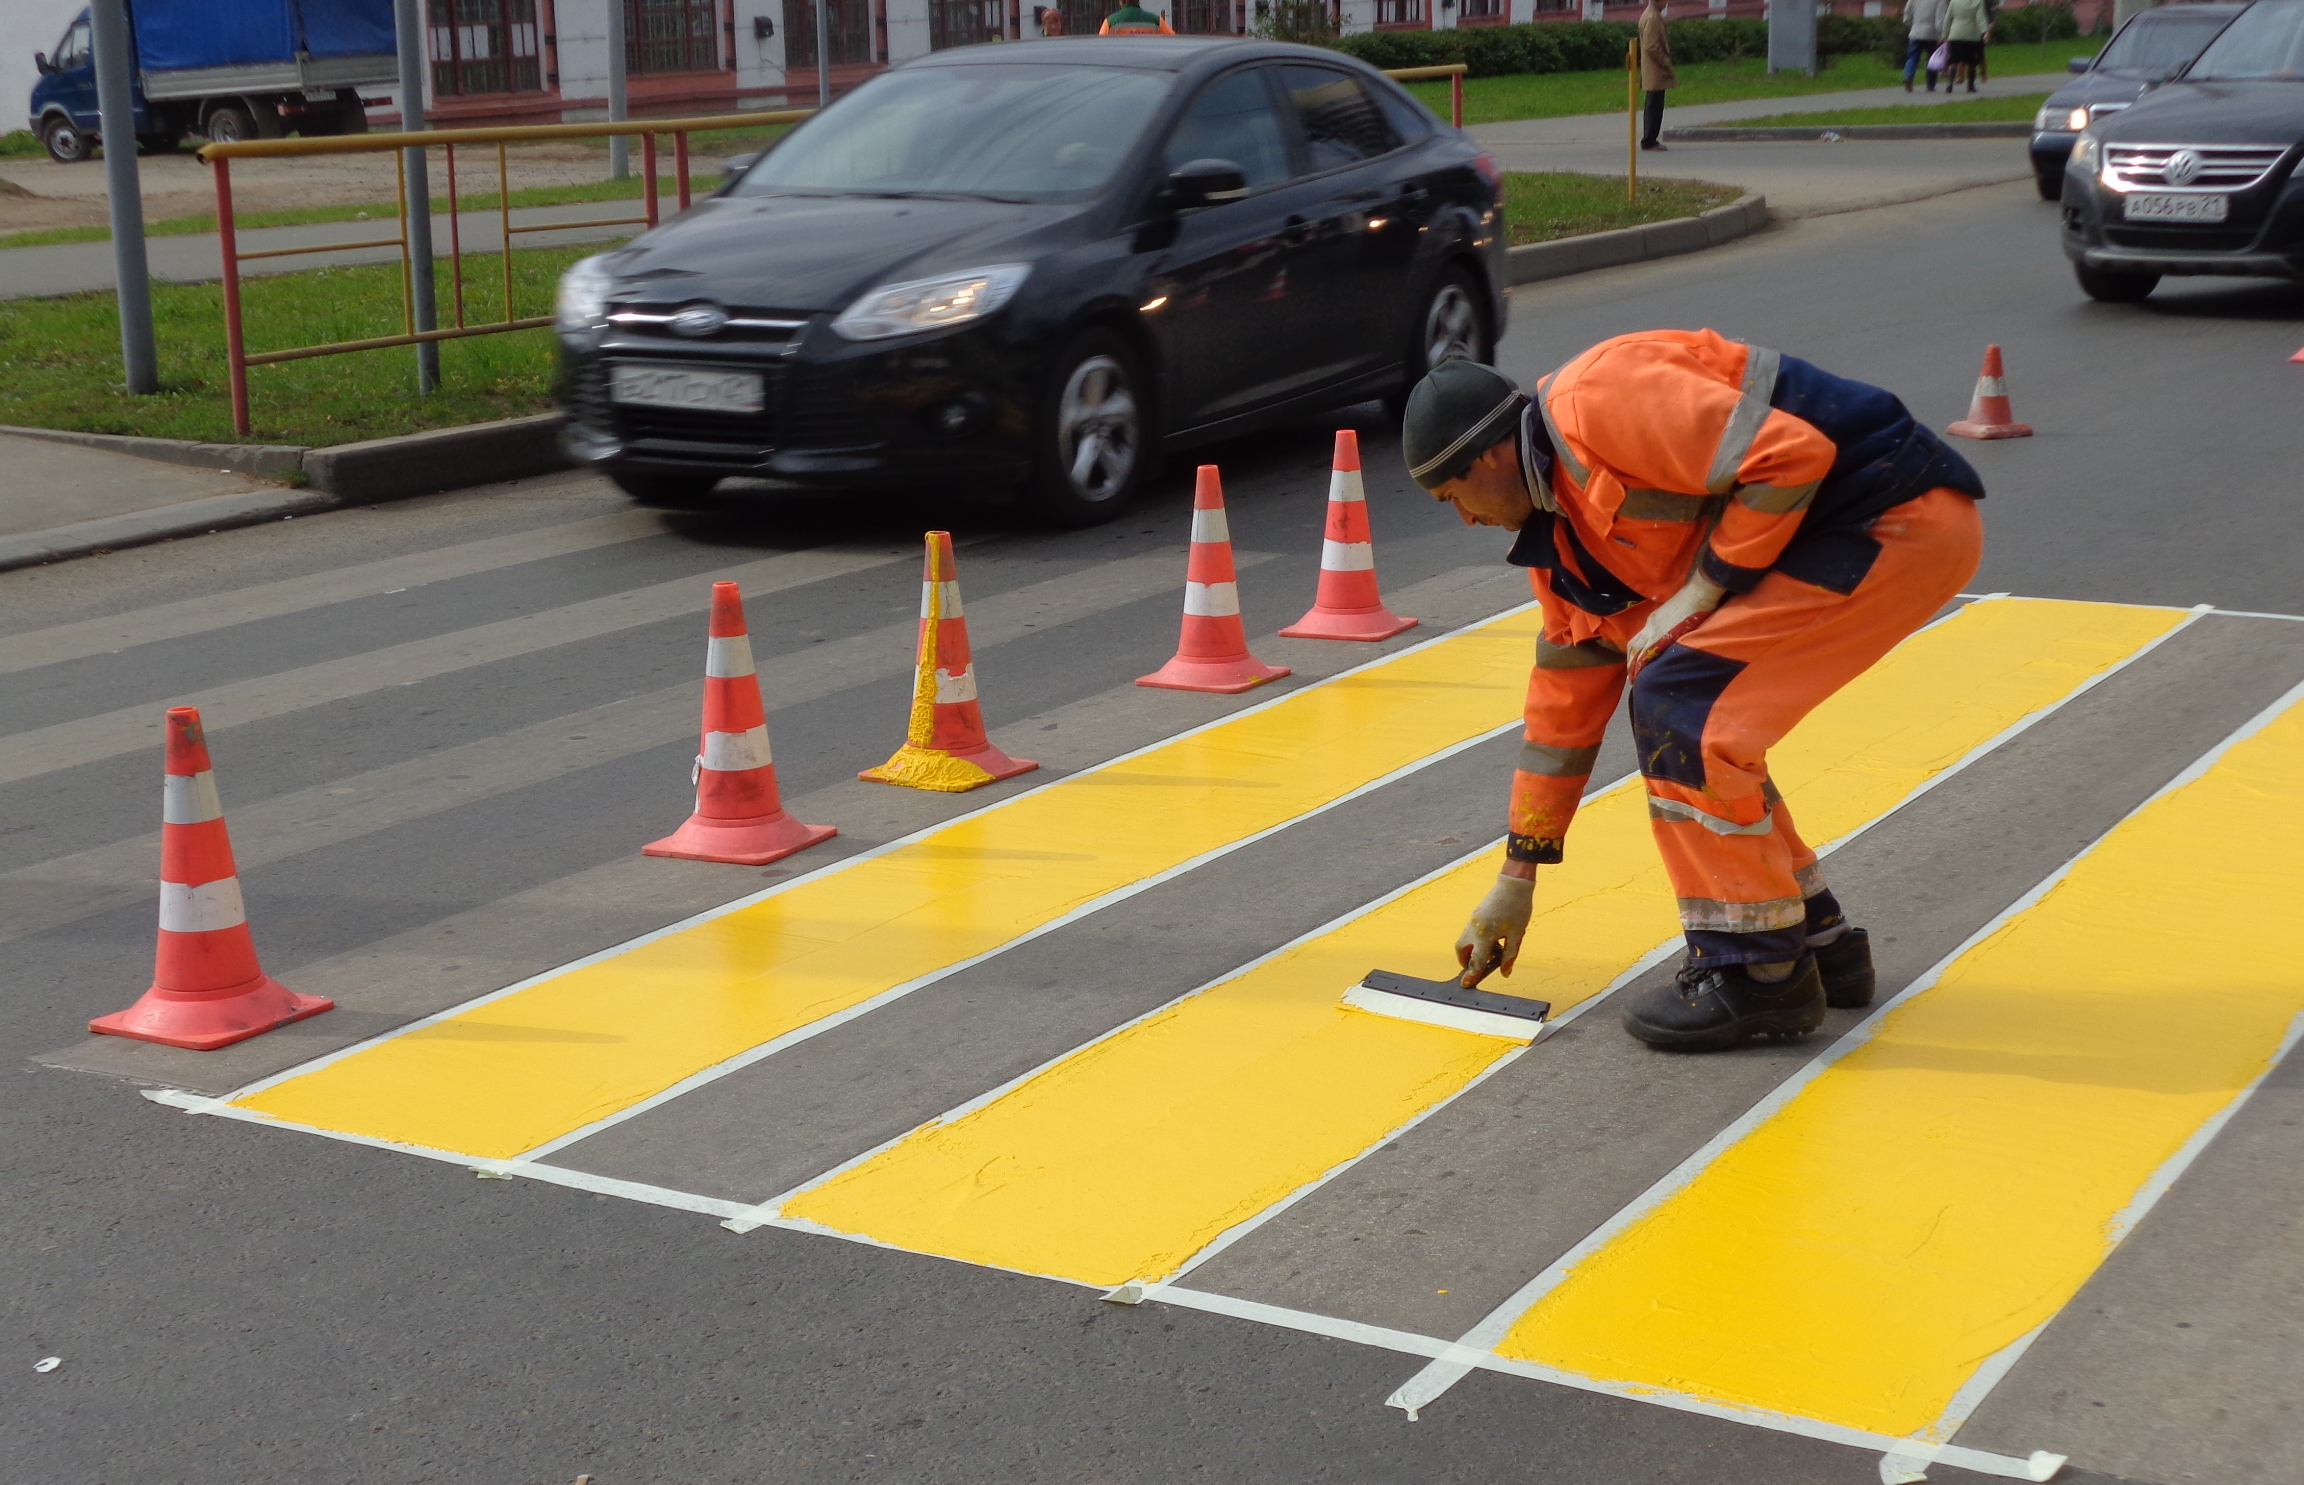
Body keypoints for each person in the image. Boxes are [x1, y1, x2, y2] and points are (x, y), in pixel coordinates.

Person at [1401, 335, 1985, 1052]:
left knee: (1685, 706)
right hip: (1852, 535)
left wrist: (1704, 588)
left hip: (1891, 517)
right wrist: (1518, 872)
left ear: (1487, 457)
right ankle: (1818, 940)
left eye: (1451, 495)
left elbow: (1790, 457)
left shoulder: (1596, 400)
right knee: (1705, 722)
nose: (1463, 519)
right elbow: (1561, 716)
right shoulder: (1562, 547)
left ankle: (1758, 974)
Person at [1639, 0, 1676, 152]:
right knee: (1654, 104)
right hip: (1655, 69)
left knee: (1653, 103)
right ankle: (1649, 140)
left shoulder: (1650, 15)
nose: (1666, 2)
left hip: (1652, 69)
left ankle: (1650, 138)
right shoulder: (1653, 18)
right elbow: (1651, 46)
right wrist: (1665, 61)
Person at [1944, 0, 1990, 92]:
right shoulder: (1977, 2)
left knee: (1954, 60)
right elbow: (1980, 18)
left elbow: (1947, 19)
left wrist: (1944, 35)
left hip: (1955, 34)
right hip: (1972, 34)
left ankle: (1950, 84)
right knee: (1972, 61)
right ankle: (1970, 86)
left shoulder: (1954, 2)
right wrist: (1985, 31)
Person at [1902, 0, 1947, 92]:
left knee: (1912, 57)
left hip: (1915, 31)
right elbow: (1940, 19)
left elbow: (1907, 13)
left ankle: (1908, 76)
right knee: (1932, 59)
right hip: (1931, 34)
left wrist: (1911, 24)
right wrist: (1941, 34)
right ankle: (1930, 84)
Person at [1099, 2, 1175, 32]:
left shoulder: (1110, 22)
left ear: (1121, 1)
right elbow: (1172, 41)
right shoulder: (1156, 21)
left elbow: (1101, 47)